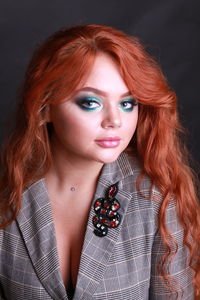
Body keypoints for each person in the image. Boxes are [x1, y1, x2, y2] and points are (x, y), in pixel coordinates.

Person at [0, 24, 199, 300]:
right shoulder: (6, 196)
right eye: (91, 102)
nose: (115, 121)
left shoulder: (155, 196)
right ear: (44, 108)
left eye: (127, 104)